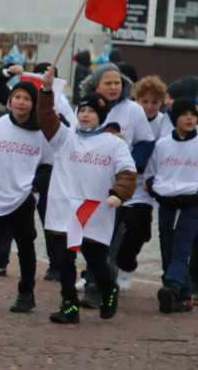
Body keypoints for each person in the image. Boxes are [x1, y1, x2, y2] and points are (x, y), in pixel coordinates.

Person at [38, 67, 136, 324]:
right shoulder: (65, 138)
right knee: (63, 258)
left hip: (95, 210)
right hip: (65, 209)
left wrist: (118, 194)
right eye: (82, 111)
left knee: (96, 262)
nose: (85, 115)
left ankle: (109, 288)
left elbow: (127, 173)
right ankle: (69, 304)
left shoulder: (114, 143)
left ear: (101, 115)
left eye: (91, 111)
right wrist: (46, 91)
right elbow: (46, 116)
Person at [77, 63, 155, 307]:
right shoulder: (84, 109)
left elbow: (145, 142)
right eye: (108, 83)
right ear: (96, 85)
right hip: (88, 185)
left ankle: (95, 287)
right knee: (87, 238)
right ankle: (98, 280)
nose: (114, 87)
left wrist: (129, 165)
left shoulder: (133, 110)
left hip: (118, 187)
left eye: (117, 83)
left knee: (106, 239)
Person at [0, 77, 49, 312]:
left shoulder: (42, 131)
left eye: (26, 98)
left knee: (25, 245)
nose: (21, 102)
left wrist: (34, 188)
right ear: (10, 101)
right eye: (17, 97)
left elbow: (47, 165)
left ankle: (26, 293)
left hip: (23, 197)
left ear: (33, 104)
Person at [0, 63, 64, 281]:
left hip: (49, 169)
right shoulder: (21, 100)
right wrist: (8, 72)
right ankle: (0, 259)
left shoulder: (61, 102)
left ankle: (56, 262)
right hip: (19, 173)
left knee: (49, 217)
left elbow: (65, 131)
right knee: (10, 214)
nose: (22, 102)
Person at [114, 76, 172, 292]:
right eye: (144, 101)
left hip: (144, 188)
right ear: (136, 100)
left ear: (161, 103)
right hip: (120, 182)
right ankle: (96, 272)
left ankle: (126, 267)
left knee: (138, 227)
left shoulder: (164, 122)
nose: (149, 107)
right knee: (108, 230)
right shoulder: (127, 116)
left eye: (154, 102)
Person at [146, 98, 198, 313]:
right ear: (174, 117)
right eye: (184, 114)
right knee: (166, 244)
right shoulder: (162, 144)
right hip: (167, 202)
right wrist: (152, 186)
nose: (190, 118)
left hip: (192, 203)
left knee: (181, 247)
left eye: (193, 114)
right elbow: (151, 173)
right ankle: (183, 294)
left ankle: (171, 285)